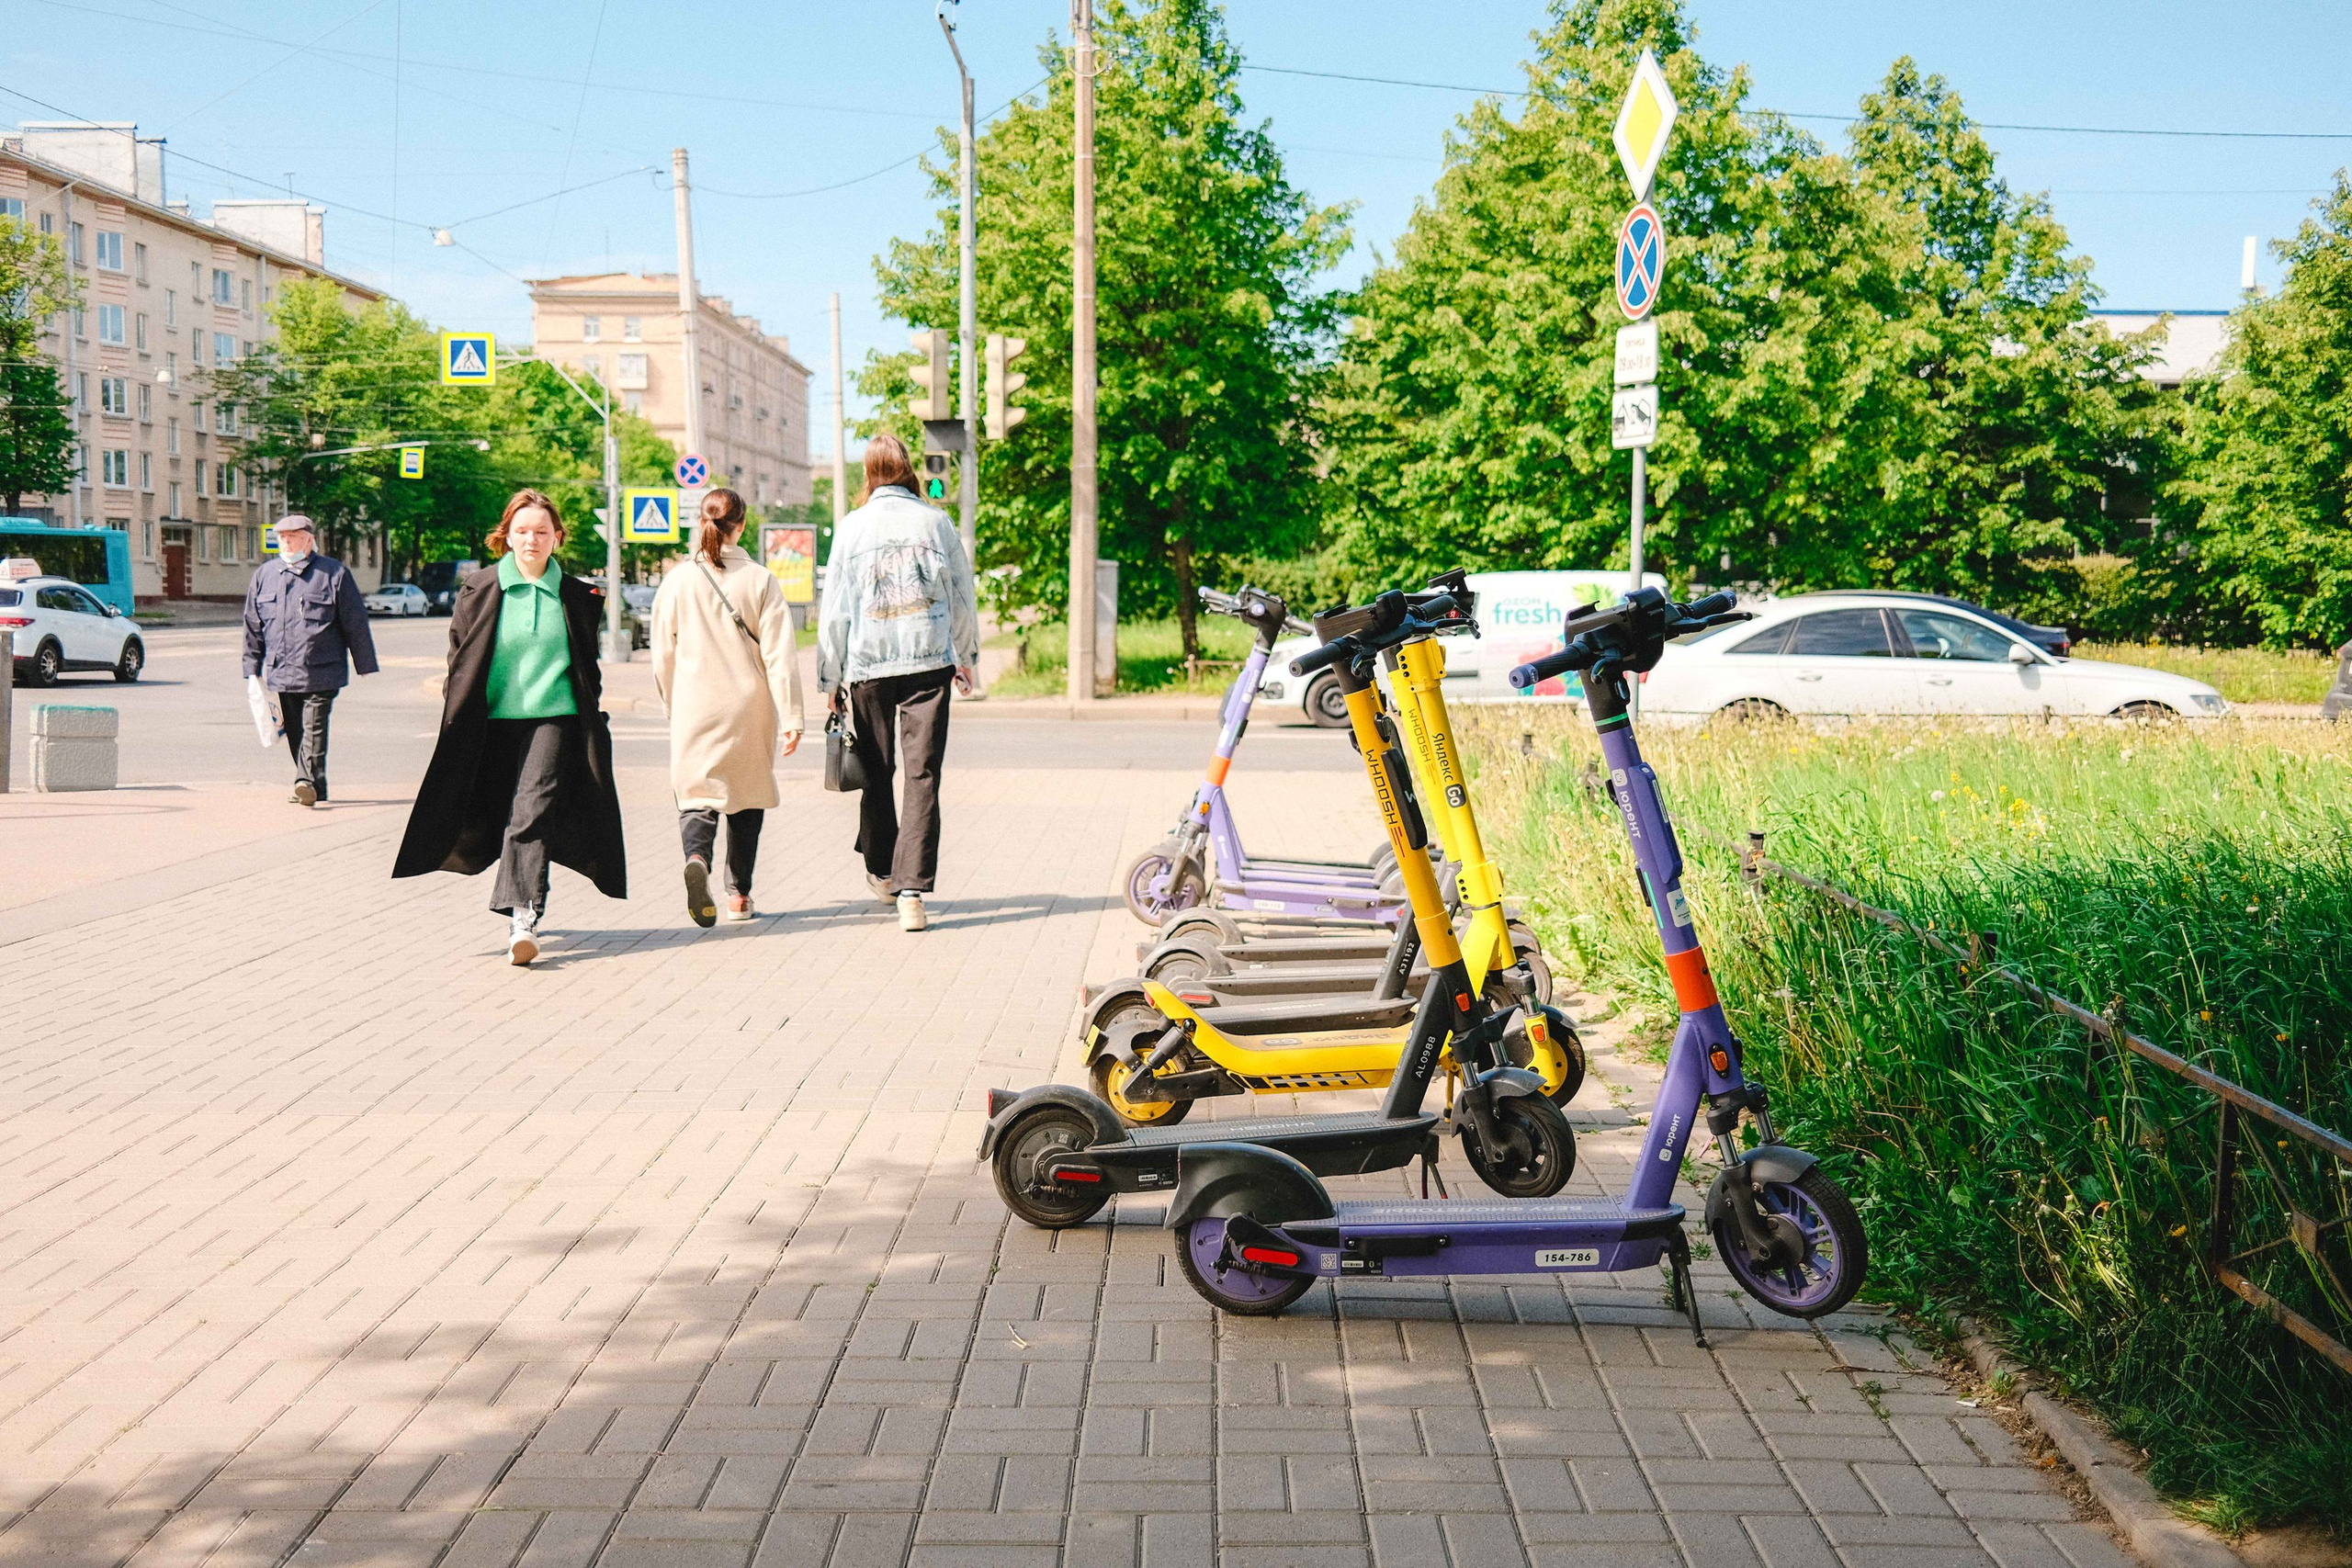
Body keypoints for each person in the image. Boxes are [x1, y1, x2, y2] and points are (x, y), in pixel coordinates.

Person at [392, 489, 627, 965]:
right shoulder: (479, 589)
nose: (531, 540)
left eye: (542, 532)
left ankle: (523, 915)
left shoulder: (579, 596)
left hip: (554, 718)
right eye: (522, 531)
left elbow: (587, 666)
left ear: (557, 538)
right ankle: (524, 894)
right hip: (490, 720)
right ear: (507, 537)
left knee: (531, 811)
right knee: (496, 812)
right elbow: (460, 657)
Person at [817, 433, 980, 933]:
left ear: (868, 473)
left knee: (876, 768)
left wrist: (831, 673)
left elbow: (836, 607)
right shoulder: (937, 521)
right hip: (929, 661)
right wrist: (966, 654)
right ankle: (913, 892)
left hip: (867, 664)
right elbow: (961, 592)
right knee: (922, 774)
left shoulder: (851, 528)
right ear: (908, 469)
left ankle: (883, 873)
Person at [651, 488, 806, 926]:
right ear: (741, 525)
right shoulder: (761, 579)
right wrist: (792, 716)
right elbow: (779, 655)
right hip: (749, 705)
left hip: (695, 704)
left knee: (698, 793)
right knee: (746, 797)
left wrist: (671, 702)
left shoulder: (679, 579)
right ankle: (739, 896)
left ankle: (696, 858)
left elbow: (663, 651)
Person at [241, 513, 378, 807]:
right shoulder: (265, 576)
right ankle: (317, 784)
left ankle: (304, 781)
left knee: (314, 726)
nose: (287, 541)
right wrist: (251, 667)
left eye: (293, 536)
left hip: (322, 668)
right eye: (282, 537)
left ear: (309, 539)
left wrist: (363, 661)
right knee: (296, 730)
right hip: (281, 669)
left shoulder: (333, 574)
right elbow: (252, 625)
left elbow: (355, 620)